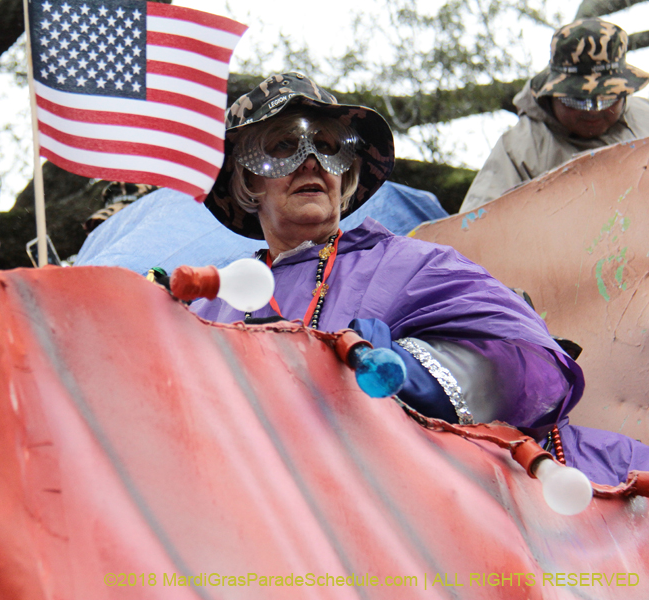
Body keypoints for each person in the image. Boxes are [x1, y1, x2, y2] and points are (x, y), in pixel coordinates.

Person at [192, 71, 649, 486]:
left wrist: (406, 368)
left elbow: (536, 370)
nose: (312, 163)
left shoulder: (411, 265)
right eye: (283, 146)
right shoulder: (206, 305)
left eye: (329, 148)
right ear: (245, 179)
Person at [460, 18, 649, 212]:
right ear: (553, 95)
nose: (593, 111)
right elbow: (475, 229)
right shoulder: (518, 149)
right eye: (577, 101)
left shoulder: (645, 118)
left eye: (607, 100)